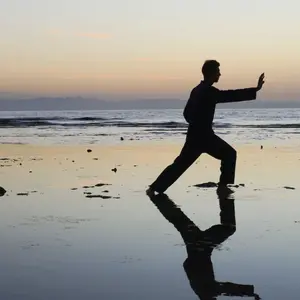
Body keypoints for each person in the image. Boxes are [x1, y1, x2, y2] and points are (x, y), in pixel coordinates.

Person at [147, 60, 265, 196]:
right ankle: (222, 187)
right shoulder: (208, 91)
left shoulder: (196, 90)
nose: (220, 74)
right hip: (204, 136)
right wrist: (255, 90)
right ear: (212, 73)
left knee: (180, 164)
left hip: (194, 136)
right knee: (229, 154)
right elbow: (230, 95)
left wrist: (195, 124)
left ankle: (153, 188)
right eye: (218, 71)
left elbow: (186, 113)